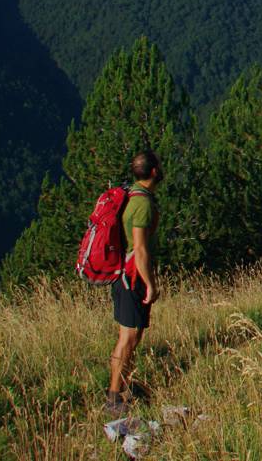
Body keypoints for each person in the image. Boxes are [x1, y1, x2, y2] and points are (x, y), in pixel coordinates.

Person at [106, 150, 163, 414]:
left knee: (133, 335)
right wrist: (150, 283)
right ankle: (114, 398)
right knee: (127, 337)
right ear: (153, 172)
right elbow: (139, 248)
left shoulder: (132, 195)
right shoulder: (142, 204)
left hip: (124, 275)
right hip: (132, 277)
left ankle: (122, 388)